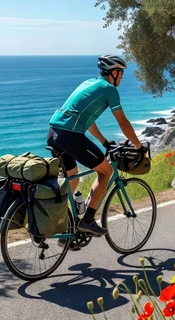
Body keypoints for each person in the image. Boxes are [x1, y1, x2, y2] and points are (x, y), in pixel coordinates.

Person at [46, 55, 145, 237]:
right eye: (121, 73)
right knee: (105, 172)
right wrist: (139, 146)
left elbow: (89, 121)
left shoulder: (89, 83)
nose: (122, 77)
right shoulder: (109, 90)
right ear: (114, 73)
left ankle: (63, 224)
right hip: (70, 135)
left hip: (53, 132)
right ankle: (88, 221)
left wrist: (104, 142)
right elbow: (124, 123)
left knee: (73, 177)